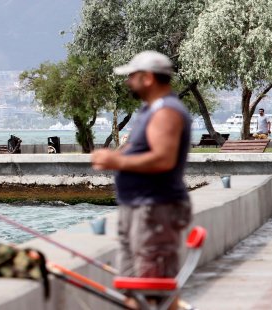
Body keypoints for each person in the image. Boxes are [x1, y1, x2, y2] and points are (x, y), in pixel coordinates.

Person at [90, 51, 192, 310]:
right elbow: (140, 149)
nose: (128, 82)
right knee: (134, 288)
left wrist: (116, 162)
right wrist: (115, 156)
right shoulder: (151, 110)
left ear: (147, 78)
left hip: (154, 209)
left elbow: (163, 159)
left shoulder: (167, 111)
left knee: (152, 289)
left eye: (132, 77)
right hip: (139, 208)